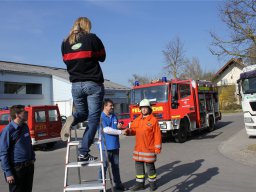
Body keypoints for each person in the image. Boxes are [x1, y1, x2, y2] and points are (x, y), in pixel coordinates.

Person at [61, 17, 106, 162]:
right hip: (93, 84)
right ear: (87, 26)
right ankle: (83, 152)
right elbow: (103, 57)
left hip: (75, 85)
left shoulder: (65, 42)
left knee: (82, 113)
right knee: (93, 118)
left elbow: (66, 61)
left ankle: (73, 118)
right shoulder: (92, 38)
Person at [125, 99, 162, 191]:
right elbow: (133, 130)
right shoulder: (137, 120)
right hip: (138, 149)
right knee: (138, 166)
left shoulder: (153, 120)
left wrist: (157, 148)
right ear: (140, 109)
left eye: (146, 108)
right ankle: (140, 184)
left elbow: (157, 135)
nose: (144, 110)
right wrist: (127, 131)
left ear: (149, 109)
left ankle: (153, 184)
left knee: (150, 166)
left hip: (149, 149)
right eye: (142, 108)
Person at [0, 105, 35, 192]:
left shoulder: (25, 127)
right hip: (16, 169)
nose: (27, 114)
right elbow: (3, 153)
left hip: (29, 166)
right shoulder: (8, 130)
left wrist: (32, 157)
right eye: (25, 112)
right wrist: (8, 173)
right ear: (17, 115)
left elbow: (29, 144)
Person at [98, 99, 127, 191]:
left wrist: (119, 126)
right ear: (105, 106)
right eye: (110, 105)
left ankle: (118, 185)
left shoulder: (114, 116)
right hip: (105, 147)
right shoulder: (101, 117)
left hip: (115, 146)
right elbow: (106, 130)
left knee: (115, 167)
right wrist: (120, 131)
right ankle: (101, 188)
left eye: (112, 105)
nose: (112, 107)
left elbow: (115, 127)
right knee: (103, 168)